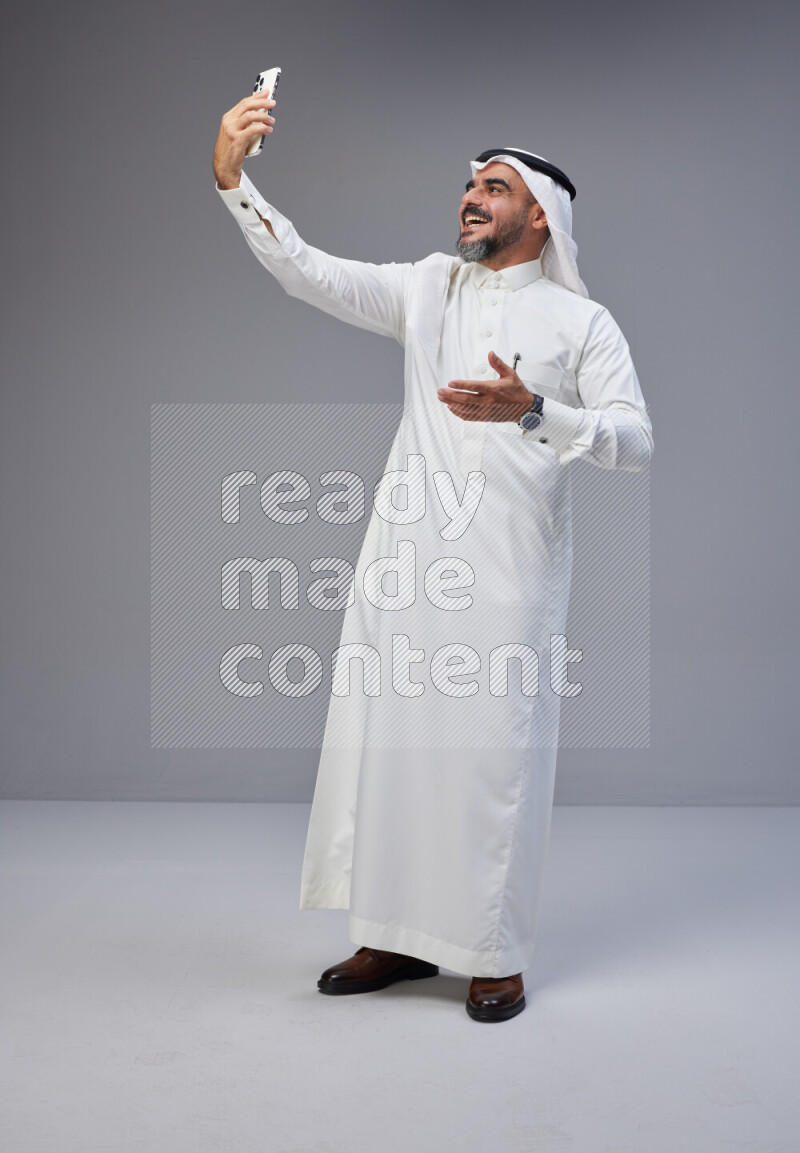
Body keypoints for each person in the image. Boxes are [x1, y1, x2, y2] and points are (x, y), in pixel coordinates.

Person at [212, 89, 653, 1023]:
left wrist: (535, 410)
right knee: (394, 749)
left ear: (541, 214)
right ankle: (393, 937)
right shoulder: (427, 289)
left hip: (507, 576)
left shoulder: (584, 326)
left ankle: (493, 953)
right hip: (405, 565)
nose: (470, 196)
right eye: (467, 183)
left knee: (491, 761)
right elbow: (311, 272)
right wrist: (232, 179)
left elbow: (634, 440)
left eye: (493, 187)